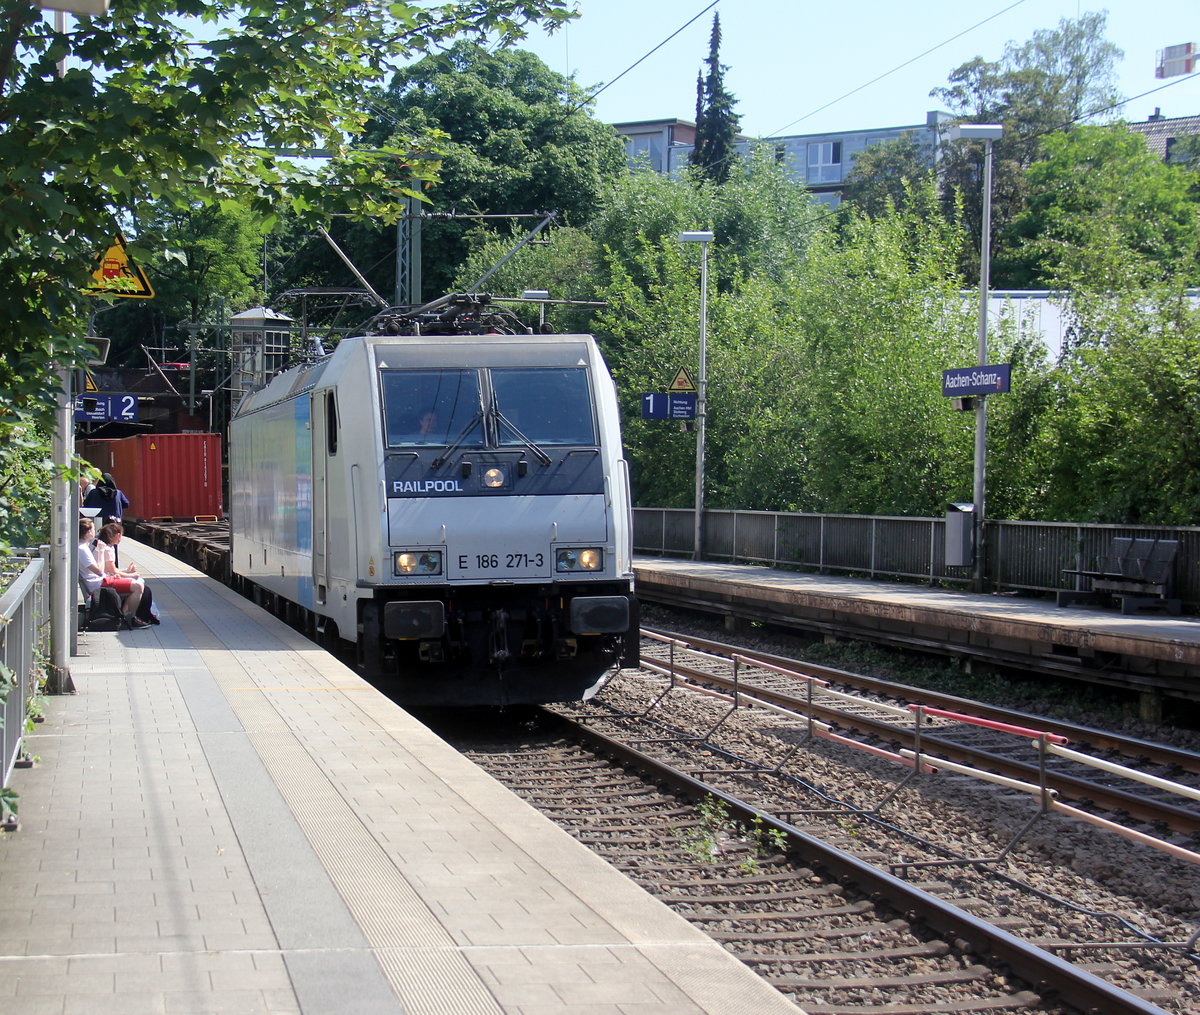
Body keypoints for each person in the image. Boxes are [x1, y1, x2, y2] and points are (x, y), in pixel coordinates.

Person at [93, 522, 152, 628]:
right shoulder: (107, 549)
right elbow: (112, 570)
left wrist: (127, 572)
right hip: (104, 582)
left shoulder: (106, 547)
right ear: (118, 535)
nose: (121, 539)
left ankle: (123, 615)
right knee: (138, 586)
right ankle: (131, 617)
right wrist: (131, 575)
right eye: (121, 536)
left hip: (104, 579)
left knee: (137, 585)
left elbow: (112, 570)